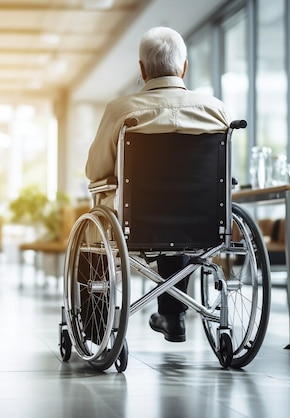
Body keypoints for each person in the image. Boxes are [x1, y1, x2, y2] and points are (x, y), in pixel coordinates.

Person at [85, 27, 231, 342]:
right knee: (180, 213)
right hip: (203, 221)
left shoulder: (122, 111)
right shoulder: (215, 110)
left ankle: (96, 327)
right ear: (184, 67)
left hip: (135, 221)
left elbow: (95, 171)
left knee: (94, 221)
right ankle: (173, 315)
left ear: (142, 69)